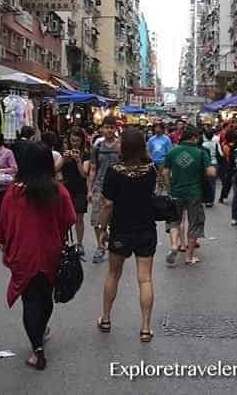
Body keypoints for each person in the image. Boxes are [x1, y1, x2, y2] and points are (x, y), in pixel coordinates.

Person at [0, 142, 76, 371]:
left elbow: (3, 226)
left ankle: (37, 350)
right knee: (44, 296)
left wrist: (5, 245)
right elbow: (70, 219)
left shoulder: (14, 192)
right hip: (51, 251)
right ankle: (40, 331)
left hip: (23, 254)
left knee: (30, 300)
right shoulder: (57, 189)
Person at [97, 128, 158, 342]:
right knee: (145, 278)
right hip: (146, 229)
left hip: (121, 229)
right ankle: (145, 327)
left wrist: (102, 229)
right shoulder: (151, 169)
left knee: (113, 274)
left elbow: (107, 204)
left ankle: (105, 318)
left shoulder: (115, 171)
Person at [163, 125, 215, 266]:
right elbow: (211, 172)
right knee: (194, 223)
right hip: (194, 193)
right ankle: (189, 256)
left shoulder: (173, 152)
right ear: (194, 137)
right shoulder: (200, 153)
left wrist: (169, 188)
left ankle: (175, 245)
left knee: (174, 220)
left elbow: (165, 173)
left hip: (176, 192)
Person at [88, 116, 121, 264]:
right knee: (96, 218)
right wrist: (90, 188)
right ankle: (100, 246)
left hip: (118, 188)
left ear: (115, 128)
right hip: (99, 187)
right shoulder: (97, 146)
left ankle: (113, 244)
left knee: (115, 218)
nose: (109, 130)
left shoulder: (121, 145)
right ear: (102, 128)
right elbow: (93, 168)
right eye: (106, 127)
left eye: (111, 127)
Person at [61, 128, 91, 257]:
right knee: (65, 217)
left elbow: (84, 174)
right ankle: (64, 242)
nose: (75, 143)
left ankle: (79, 243)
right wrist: (64, 158)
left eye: (77, 141)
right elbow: (55, 168)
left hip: (80, 189)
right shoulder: (65, 152)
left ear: (82, 141)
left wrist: (78, 160)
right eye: (73, 140)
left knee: (79, 218)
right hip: (66, 189)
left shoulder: (86, 154)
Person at [201, 129, 219, 208]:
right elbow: (220, 154)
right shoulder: (216, 144)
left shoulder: (203, 145)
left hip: (206, 164)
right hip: (214, 163)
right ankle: (211, 200)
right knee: (212, 183)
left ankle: (206, 199)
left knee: (205, 182)